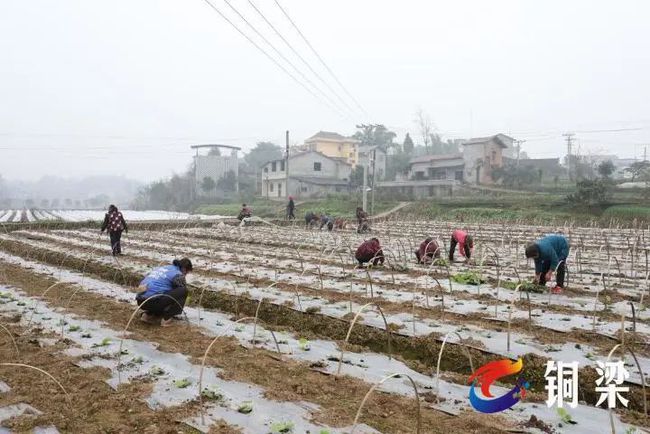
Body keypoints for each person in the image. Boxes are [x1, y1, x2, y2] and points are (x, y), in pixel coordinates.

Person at [136, 258, 193, 326]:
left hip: (140, 301)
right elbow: (182, 289)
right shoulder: (178, 275)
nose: (186, 274)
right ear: (184, 269)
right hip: (153, 301)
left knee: (159, 291)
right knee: (183, 291)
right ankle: (167, 319)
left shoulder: (165, 267)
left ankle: (147, 315)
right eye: (187, 272)